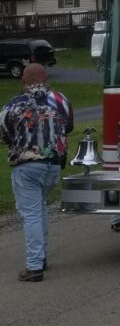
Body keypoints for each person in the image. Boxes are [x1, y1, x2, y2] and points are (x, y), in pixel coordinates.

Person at [0, 63, 74, 282]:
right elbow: (68, 127)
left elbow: (4, 133)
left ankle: (34, 266)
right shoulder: (61, 100)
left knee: (31, 214)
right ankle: (40, 258)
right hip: (53, 165)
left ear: (24, 81)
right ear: (47, 78)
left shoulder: (14, 104)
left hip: (27, 165)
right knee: (39, 209)